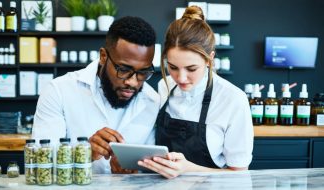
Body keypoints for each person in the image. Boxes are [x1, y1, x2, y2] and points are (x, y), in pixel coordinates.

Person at [32, 16, 160, 173]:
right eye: (124, 70)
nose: (133, 82)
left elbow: (149, 170)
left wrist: (133, 171)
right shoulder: (59, 91)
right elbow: (40, 163)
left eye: (143, 72)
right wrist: (83, 154)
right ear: (103, 57)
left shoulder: (152, 101)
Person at [138, 6, 254, 178]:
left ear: (210, 59)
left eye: (191, 68)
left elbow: (238, 175)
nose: (181, 78)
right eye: (173, 67)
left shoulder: (233, 99)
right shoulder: (164, 86)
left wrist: (187, 169)